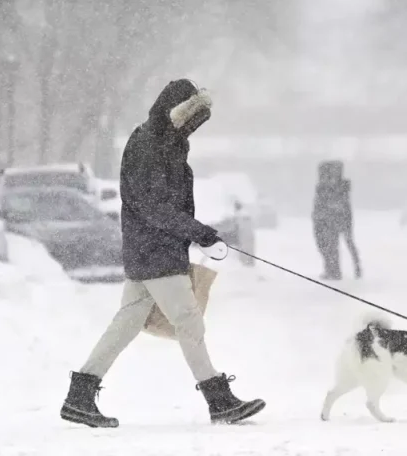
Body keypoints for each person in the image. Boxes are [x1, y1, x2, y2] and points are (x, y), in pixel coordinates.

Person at [60, 79, 266, 428]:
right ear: (176, 112)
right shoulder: (149, 145)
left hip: (153, 247)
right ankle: (219, 401)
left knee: (127, 322)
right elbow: (153, 206)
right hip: (155, 248)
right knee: (187, 319)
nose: (191, 127)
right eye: (190, 118)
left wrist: (195, 234)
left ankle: (79, 396)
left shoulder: (166, 143)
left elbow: (162, 204)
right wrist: (198, 232)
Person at [312, 160, 361, 280]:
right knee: (327, 246)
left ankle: (353, 268)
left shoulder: (341, 187)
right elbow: (319, 203)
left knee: (346, 243)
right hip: (326, 221)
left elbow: (340, 204)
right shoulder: (322, 187)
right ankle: (332, 269)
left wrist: (327, 211)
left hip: (338, 219)